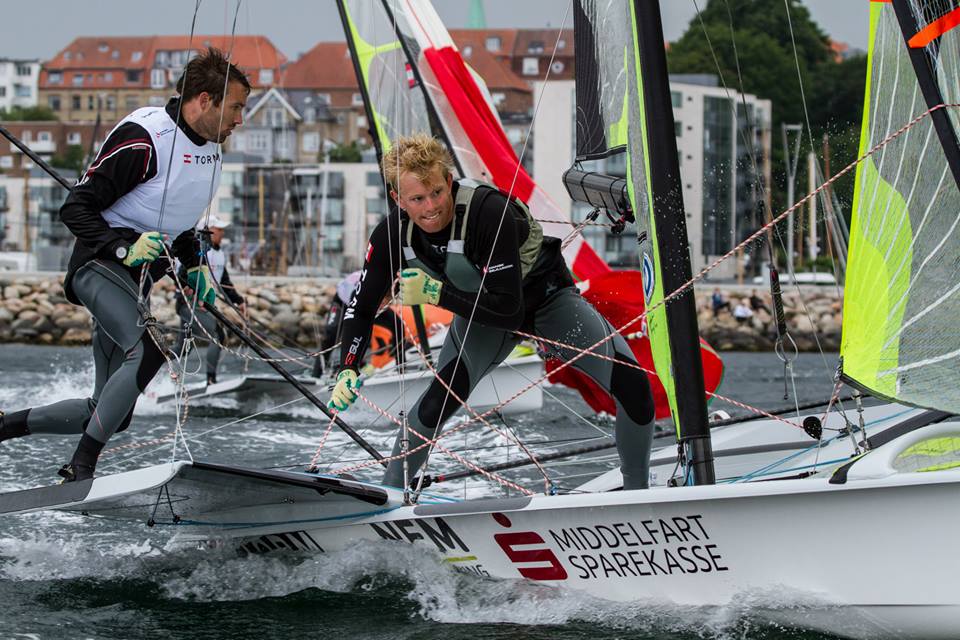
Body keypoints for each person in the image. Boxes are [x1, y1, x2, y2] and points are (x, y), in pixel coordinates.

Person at [327, 134, 656, 490]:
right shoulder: (391, 233)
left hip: (546, 300)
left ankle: (638, 491)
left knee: (634, 386)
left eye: (437, 192)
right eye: (417, 199)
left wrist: (435, 292)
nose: (431, 207)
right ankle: (391, 493)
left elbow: (508, 308)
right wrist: (347, 367)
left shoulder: (488, 211)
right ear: (398, 199)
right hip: (480, 317)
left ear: (449, 182)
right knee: (438, 400)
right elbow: (360, 308)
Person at [0, 48, 250, 482]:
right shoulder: (144, 138)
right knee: (150, 350)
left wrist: (195, 268)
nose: (240, 119)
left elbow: (180, 228)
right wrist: (123, 249)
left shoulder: (211, 152)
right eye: (236, 107)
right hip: (98, 267)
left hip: (138, 283)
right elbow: (75, 209)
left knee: (111, 411)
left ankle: (4, 426)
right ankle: (80, 468)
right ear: (205, 100)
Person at [173, 215, 246, 385]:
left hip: (203, 303)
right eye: (219, 229)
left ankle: (147, 367)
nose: (222, 233)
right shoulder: (197, 250)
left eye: (222, 230)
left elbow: (224, 282)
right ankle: (211, 380)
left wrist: (239, 301)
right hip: (189, 303)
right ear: (208, 231)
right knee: (218, 335)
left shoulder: (220, 254)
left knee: (183, 348)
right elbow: (183, 274)